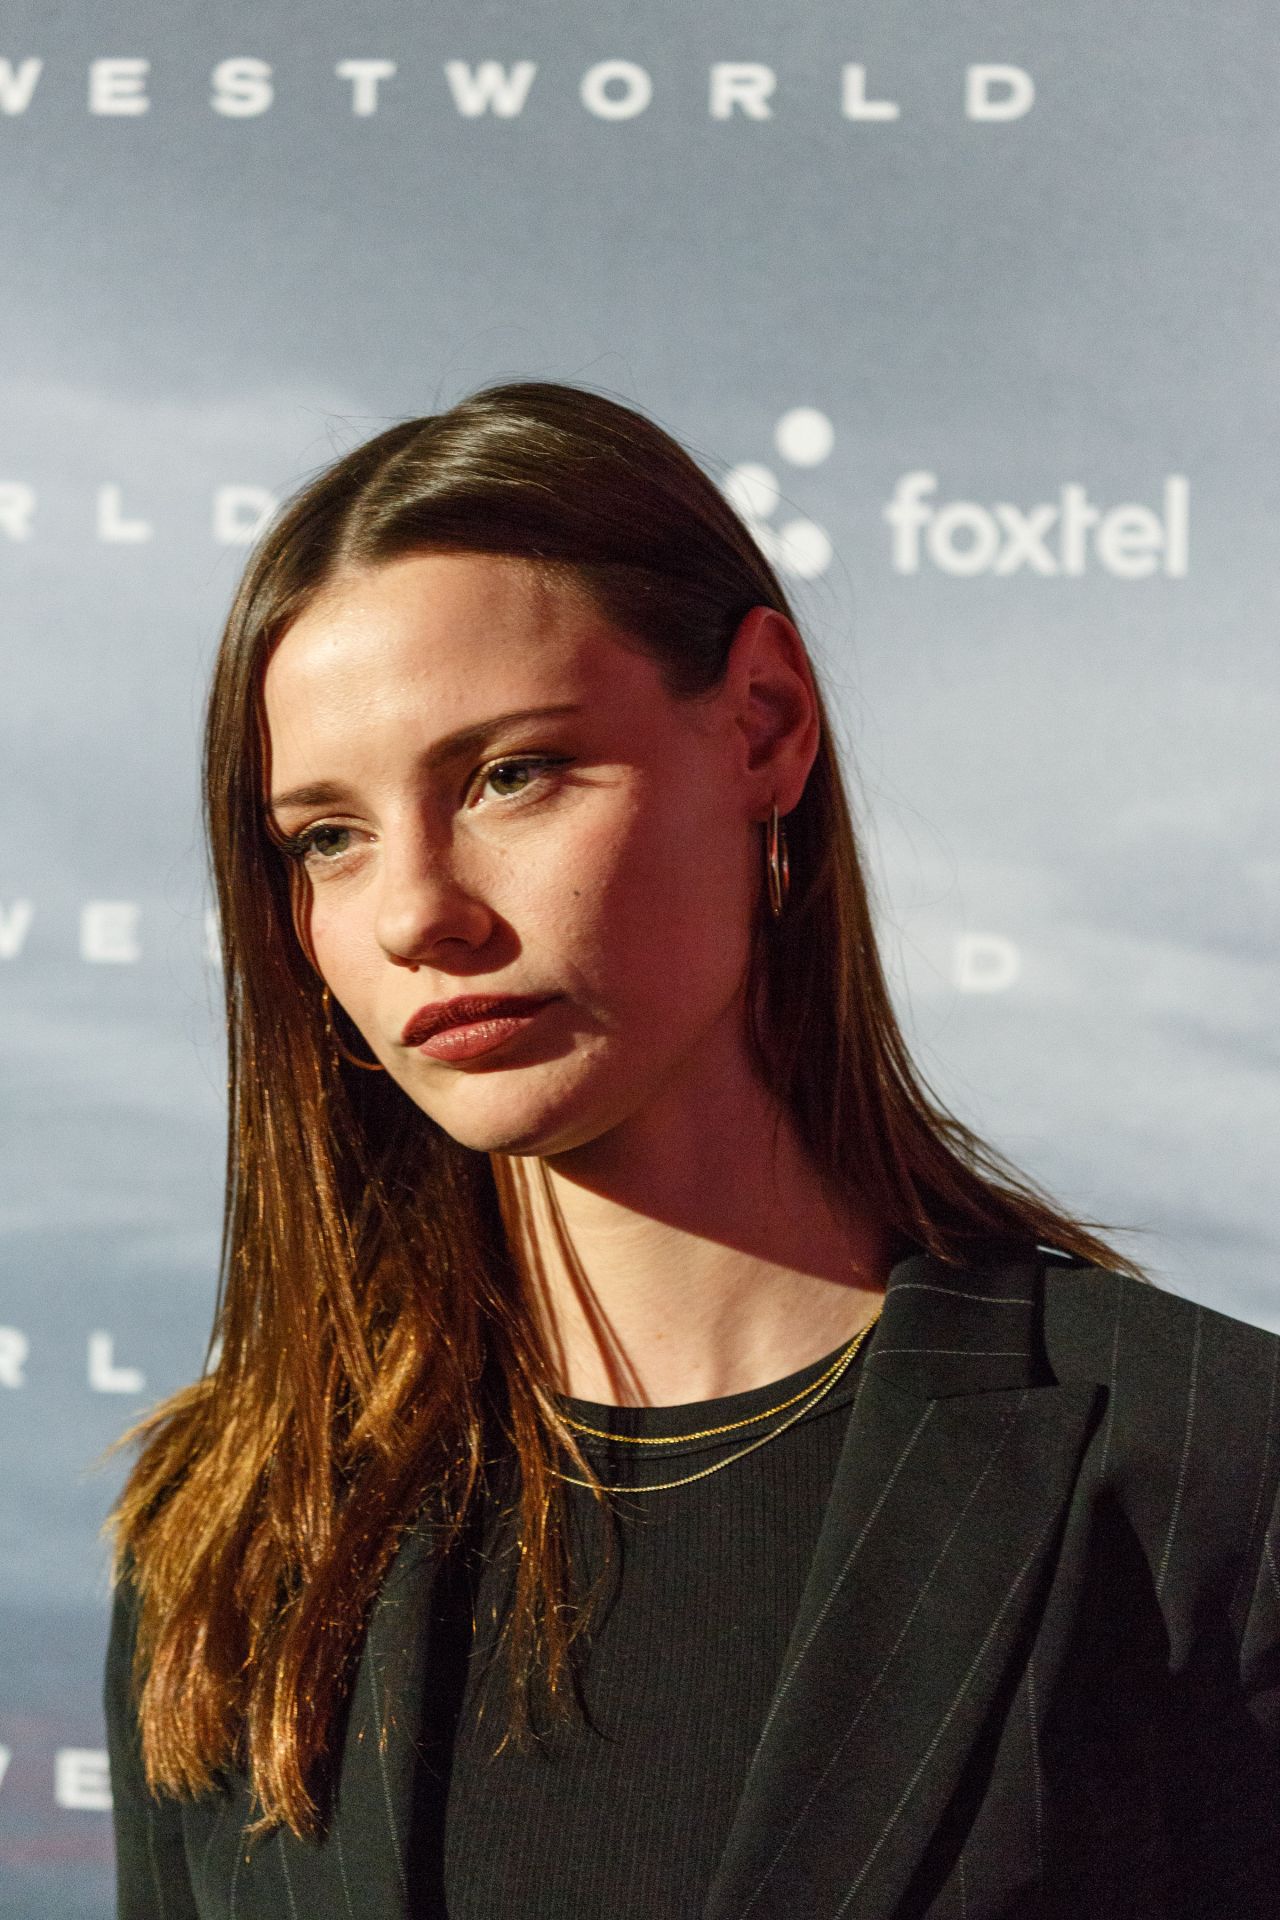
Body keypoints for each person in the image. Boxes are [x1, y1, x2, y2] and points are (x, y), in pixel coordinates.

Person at [102, 382, 1280, 1920]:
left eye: (509, 773)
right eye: (328, 835)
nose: (414, 914)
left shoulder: (1209, 1477)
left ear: (765, 726)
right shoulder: (239, 1540)